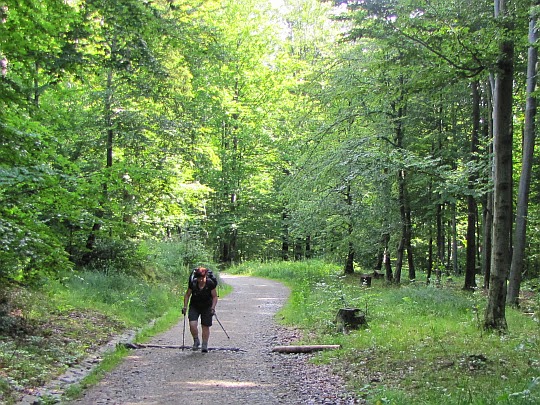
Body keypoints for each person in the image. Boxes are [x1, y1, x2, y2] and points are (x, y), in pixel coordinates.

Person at [182, 267, 218, 352]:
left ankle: (204, 344)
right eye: (199, 278)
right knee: (192, 324)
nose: (201, 280)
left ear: (205, 276)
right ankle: (196, 340)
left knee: (205, 326)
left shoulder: (210, 283)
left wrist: (213, 307)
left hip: (207, 306)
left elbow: (214, 297)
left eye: (202, 278)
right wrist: (185, 306)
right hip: (195, 306)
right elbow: (187, 295)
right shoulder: (193, 283)